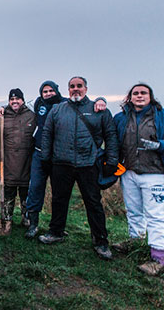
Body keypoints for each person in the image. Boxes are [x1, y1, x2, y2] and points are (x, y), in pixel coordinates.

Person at [39, 76, 119, 260]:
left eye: (79, 86)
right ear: (68, 90)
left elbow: (111, 136)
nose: (76, 89)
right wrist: (46, 157)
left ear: (86, 88)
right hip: (61, 162)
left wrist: (112, 160)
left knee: (93, 202)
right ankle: (56, 232)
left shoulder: (99, 110)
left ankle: (100, 241)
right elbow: (47, 133)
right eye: (72, 86)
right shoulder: (58, 109)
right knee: (59, 200)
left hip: (88, 164)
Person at [24, 81, 107, 238]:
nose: (48, 94)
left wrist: (101, 100)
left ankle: (62, 228)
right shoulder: (38, 103)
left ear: (58, 91)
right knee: (35, 188)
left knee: (61, 195)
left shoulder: (64, 104)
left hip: (58, 157)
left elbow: (85, 105)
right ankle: (33, 224)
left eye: (51, 91)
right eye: (45, 91)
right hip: (39, 154)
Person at [113, 83, 164, 275]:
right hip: (129, 171)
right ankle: (136, 241)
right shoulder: (121, 118)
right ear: (130, 97)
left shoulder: (160, 116)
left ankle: (158, 257)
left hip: (155, 173)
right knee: (133, 211)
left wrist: (159, 145)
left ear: (150, 96)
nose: (139, 96)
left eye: (144, 93)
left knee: (156, 215)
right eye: (136, 93)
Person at [0, 89, 36, 234]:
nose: (15, 102)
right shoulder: (3, 116)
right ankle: (7, 218)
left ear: (23, 100)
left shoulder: (31, 116)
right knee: (9, 191)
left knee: (25, 192)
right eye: (12, 100)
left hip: (27, 162)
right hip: (8, 162)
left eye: (18, 99)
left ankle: (26, 217)